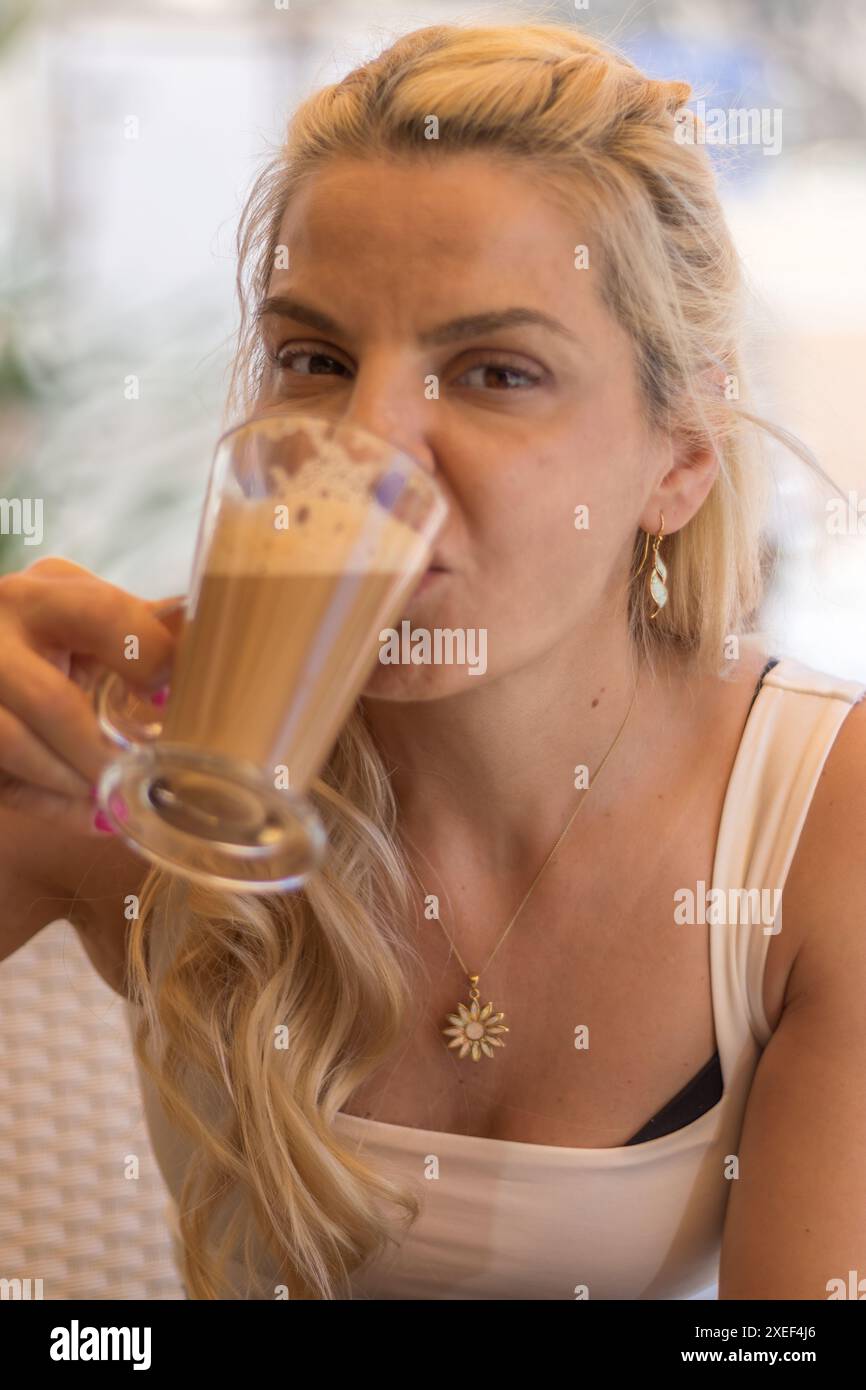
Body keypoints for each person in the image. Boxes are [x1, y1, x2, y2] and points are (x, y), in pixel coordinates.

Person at [2, 21, 865, 1302]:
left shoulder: (815, 824)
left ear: (678, 458)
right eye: (316, 359)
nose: (368, 447)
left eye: (494, 371)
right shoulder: (139, 765)